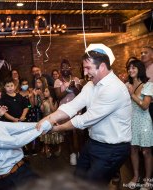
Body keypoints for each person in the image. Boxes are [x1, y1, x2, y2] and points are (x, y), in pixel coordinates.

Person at [37, 44, 132, 184]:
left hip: (113, 148)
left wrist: (56, 128)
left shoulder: (114, 88)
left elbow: (86, 119)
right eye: (84, 68)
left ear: (103, 67)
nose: (85, 72)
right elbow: (72, 106)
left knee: (91, 184)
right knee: (79, 178)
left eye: (88, 68)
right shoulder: (90, 85)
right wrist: (48, 118)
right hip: (94, 142)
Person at [126, 59, 153, 190]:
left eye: (133, 68)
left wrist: (132, 95)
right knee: (133, 150)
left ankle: (148, 181)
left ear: (139, 69)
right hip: (131, 121)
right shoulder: (127, 84)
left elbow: (145, 106)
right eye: (129, 68)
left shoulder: (148, 85)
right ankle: (136, 177)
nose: (130, 70)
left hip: (144, 121)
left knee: (146, 152)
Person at [140, 46, 153, 122]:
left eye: (145, 52)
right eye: (141, 53)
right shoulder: (141, 69)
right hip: (141, 103)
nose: (143, 54)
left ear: (152, 55)